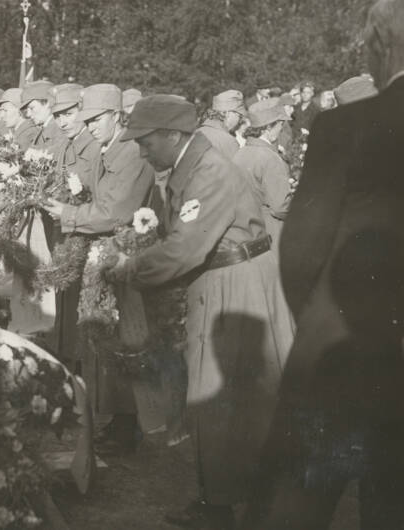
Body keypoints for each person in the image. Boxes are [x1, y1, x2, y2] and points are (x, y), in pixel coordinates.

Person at [241, 1, 404, 527]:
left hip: (341, 353)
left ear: (382, 48)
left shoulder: (345, 125)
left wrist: (319, 321)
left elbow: (301, 253)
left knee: (296, 505)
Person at [105, 95, 295, 529]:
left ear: (173, 135)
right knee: (230, 397)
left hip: (236, 282)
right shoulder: (190, 166)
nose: (140, 150)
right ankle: (228, 498)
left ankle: (229, 504)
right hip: (227, 279)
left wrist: (128, 268)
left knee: (222, 395)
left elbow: (184, 249)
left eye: (146, 142)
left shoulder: (207, 171)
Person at [43, 84, 156, 454]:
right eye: (86, 119)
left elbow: (115, 211)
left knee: (123, 338)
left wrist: (69, 214)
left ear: (116, 116)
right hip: (107, 254)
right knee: (106, 337)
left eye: (95, 119)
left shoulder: (130, 153)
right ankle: (118, 420)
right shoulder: (111, 148)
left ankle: (129, 425)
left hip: (124, 256)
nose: (89, 126)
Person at [44, 82, 99, 366]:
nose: (62, 121)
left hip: (84, 234)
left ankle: (78, 364)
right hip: (64, 231)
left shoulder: (94, 146)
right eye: (57, 115)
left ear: (82, 110)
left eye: (68, 113)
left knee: (79, 300)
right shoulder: (65, 143)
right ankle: (67, 360)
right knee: (64, 297)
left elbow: (97, 197)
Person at [233, 99, 293, 253]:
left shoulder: (240, 153)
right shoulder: (270, 158)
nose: (281, 129)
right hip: (271, 232)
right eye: (280, 124)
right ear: (268, 127)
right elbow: (280, 207)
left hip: (247, 230)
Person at [197, 90, 245, 159]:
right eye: (239, 116)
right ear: (227, 113)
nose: (241, 120)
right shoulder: (228, 141)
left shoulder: (197, 132)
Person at [21, 80, 65, 151]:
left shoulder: (59, 129)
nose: (28, 114)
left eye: (32, 108)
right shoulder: (45, 127)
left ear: (47, 103)